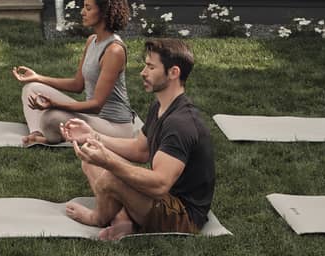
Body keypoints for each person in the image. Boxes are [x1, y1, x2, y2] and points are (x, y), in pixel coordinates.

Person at [61, 38, 215, 241]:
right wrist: (93, 136)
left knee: (109, 175)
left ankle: (99, 217)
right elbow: (140, 150)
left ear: (173, 73)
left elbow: (160, 184)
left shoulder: (181, 124)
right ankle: (123, 218)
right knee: (90, 162)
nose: (143, 72)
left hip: (182, 215)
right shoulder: (160, 106)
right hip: (160, 199)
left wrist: (109, 161)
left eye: (151, 67)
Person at [12, 0, 137, 145]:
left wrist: (56, 104)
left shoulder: (114, 51)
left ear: (104, 12)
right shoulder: (92, 40)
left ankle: (47, 134)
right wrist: (37, 77)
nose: (82, 12)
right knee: (31, 88)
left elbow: (96, 105)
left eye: (88, 8)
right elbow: (78, 85)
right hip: (92, 118)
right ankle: (37, 133)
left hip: (114, 128)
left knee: (52, 117)